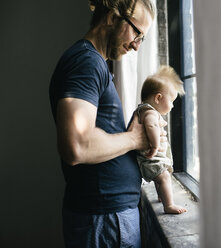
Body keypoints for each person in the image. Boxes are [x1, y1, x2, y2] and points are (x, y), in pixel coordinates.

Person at [49, 0, 158, 247]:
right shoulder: (85, 62)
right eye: (136, 32)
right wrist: (134, 138)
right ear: (111, 16)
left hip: (107, 219)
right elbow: (76, 145)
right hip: (104, 222)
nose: (137, 45)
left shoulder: (94, 62)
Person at [135, 66, 187, 214]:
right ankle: (168, 205)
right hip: (150, 157)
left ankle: (162, 197)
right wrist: (155, 146)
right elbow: (151, 126)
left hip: (152, 157)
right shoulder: (149, 112)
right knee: (163, 176)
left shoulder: (144, 110)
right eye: (171, 101)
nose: (172, 106)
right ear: (158, 98)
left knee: (162, 177)